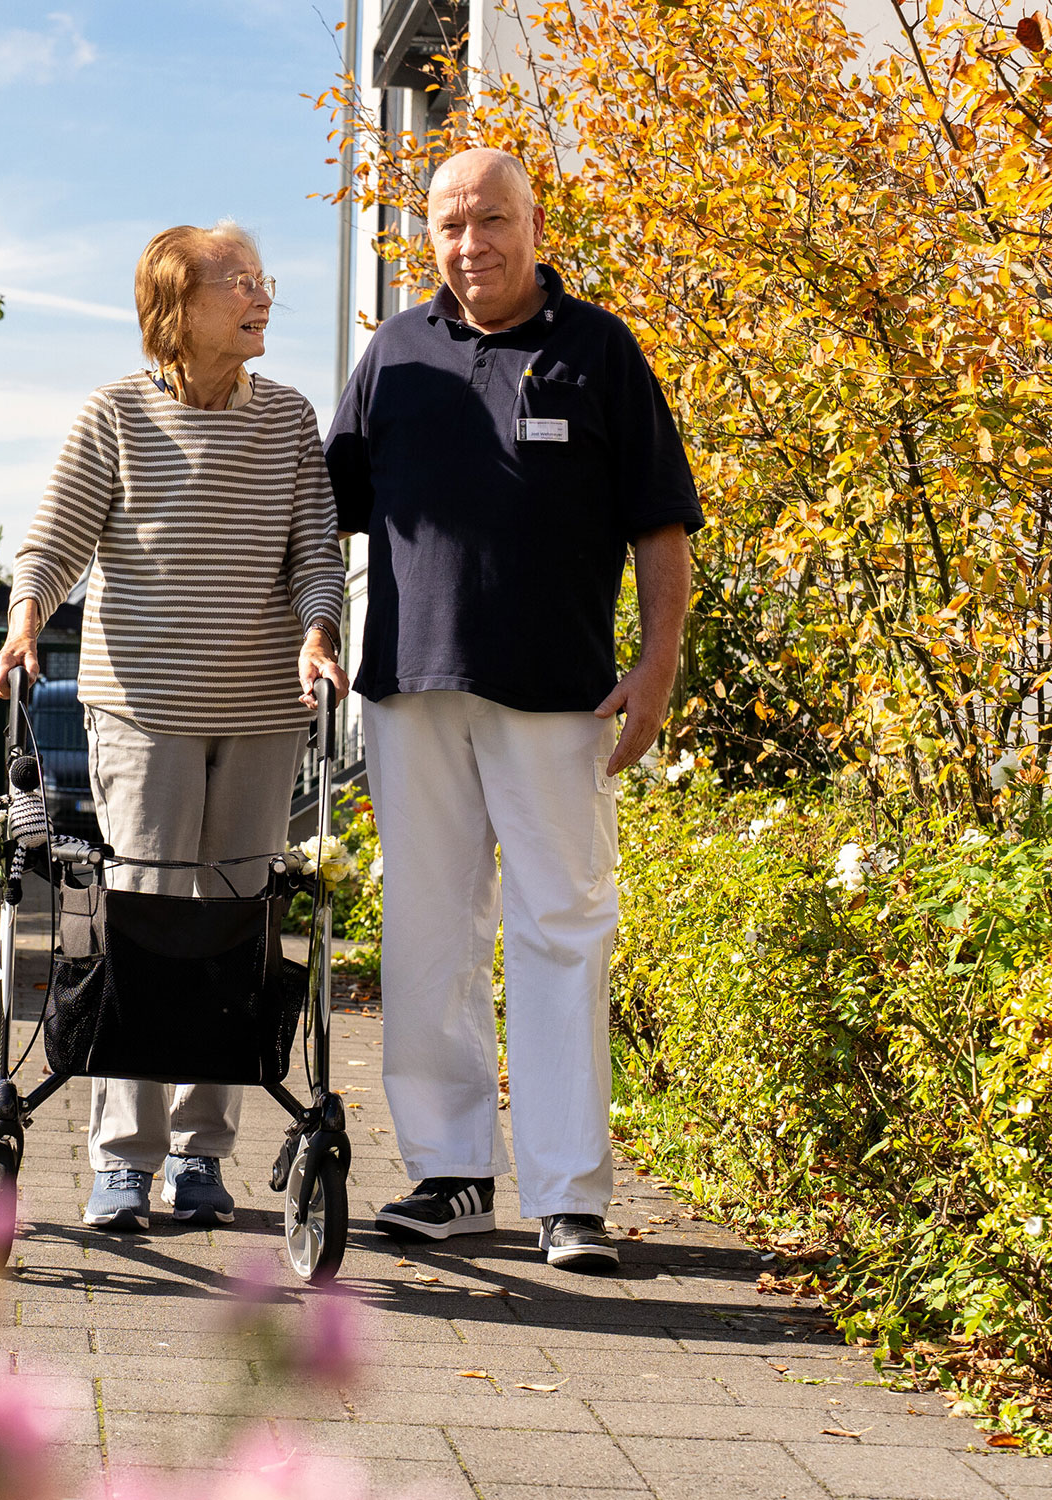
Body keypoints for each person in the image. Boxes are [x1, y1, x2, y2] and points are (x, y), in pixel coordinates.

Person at [324, 148, 703, 1272]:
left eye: (492, 220)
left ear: (533, 225)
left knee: (560, 932)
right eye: (447, 224)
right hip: (412, 692)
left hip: (560, 695)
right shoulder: (393, 356)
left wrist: (659, 661)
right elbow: (324, 515)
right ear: (424, 237)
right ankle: (449, 1181)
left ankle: (569, 1197)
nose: (469, 243)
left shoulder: (598, 351)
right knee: (430, 936)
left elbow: (661, 529)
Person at [0, 221, 350, 1233]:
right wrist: (22, 629)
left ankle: (201, 1157)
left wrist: (318, 634)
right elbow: (52, 544)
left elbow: (315, 556)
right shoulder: (115, 417)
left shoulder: (286, 422)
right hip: (141, 710)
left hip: (259, 712)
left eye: (261, 279)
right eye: (239, 282)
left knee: (234, 922)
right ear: (175, 308)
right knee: (143, 917)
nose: (261, 296)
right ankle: (122, 1159)